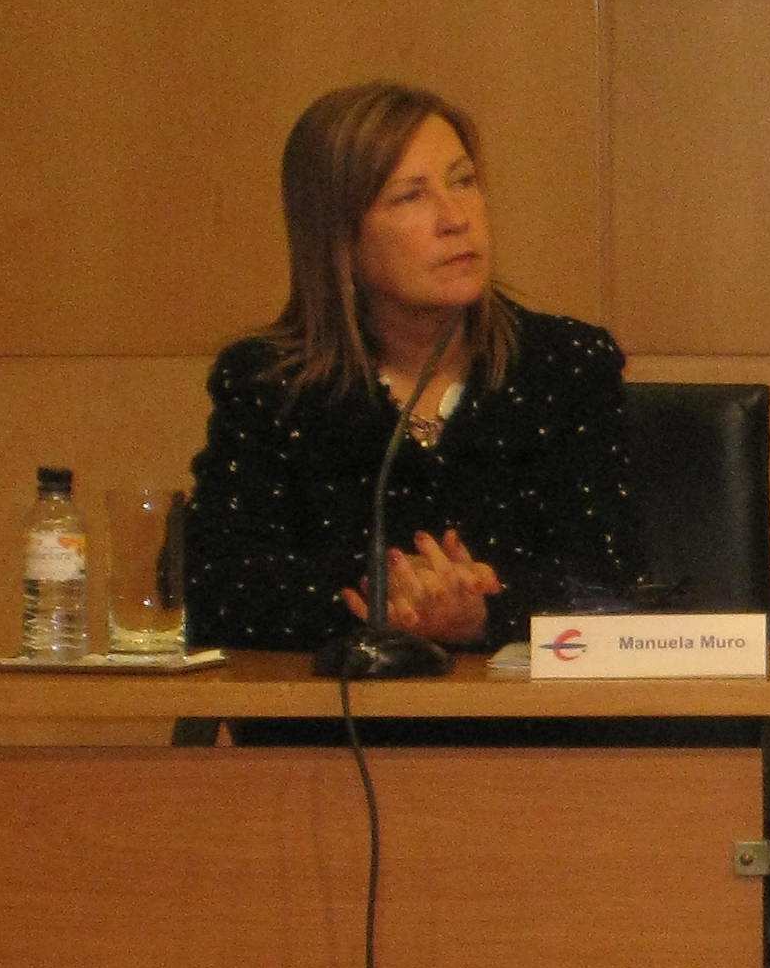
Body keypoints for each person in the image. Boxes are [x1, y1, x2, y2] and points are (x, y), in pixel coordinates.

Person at [188, 81, 640, 653]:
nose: (455, 218)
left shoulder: (565, 366)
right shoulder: (271, 386)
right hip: (331, 710)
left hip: (526, 710)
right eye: (410, 197)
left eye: (464, 181)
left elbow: (611, 583)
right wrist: (389, 601)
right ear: (339, 237)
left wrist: (482, 614)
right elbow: (216, 590)